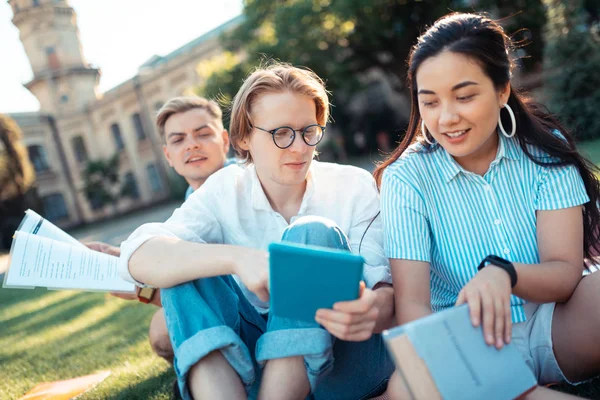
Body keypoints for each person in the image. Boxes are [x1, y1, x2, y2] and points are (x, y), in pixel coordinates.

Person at [119, 63, 396, 400]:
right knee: (183, 263)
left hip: (345, 364)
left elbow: (386, 293)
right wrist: (238, 259)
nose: (299, 148)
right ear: (243, 138)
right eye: (280, 133)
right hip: (255, 367)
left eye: (309, 130)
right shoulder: (225, 189)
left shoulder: (353, 186)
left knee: (312, 236)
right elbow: (139, 252)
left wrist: (373, 308)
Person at [373, 12, 600, 398]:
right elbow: (413, 307)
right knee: (409, 385)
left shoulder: (545, 151)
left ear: (502, 90)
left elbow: (564, 276)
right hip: (466, 344)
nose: (446, 118)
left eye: (464, 97)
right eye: (429, 102)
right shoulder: (406, 179)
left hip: (553, 326)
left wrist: (505, 274)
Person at [88, 95, 233, 363]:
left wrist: (143, 290)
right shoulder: (189, 207)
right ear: (168, 155)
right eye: (178, 140)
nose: (192, 145)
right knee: (161, 332)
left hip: (268, 307)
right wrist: (127, 258)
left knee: (167, 327)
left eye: (202, 134)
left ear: (224, 141)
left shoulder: (247, 185)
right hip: (231, 309)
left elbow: (222, 292)